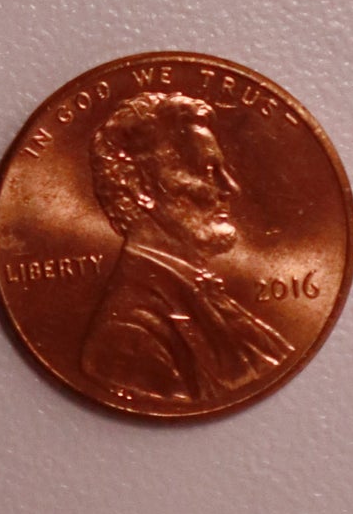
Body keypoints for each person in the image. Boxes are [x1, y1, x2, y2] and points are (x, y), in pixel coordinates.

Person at [80, 91, 293, 408]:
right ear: (139, 186)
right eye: (206, 171)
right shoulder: (128, 336)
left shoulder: (203, 297)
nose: (230, 188)